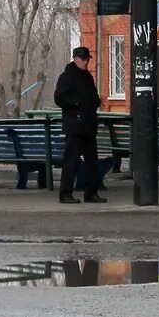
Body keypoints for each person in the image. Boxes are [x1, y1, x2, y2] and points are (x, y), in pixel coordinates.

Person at [53, 46, 105, 204]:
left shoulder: (87, 77)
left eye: (87, 58)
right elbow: (59, 99)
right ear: (75, 59)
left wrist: (95, 102)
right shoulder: (67, 77)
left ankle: (91, 192)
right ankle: (65, 193)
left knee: (92, 161)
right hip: (74, 125)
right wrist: (76, 103)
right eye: (83, 59)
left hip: (88, 125)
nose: (86, 61)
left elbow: (93, 96)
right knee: (71, 161)